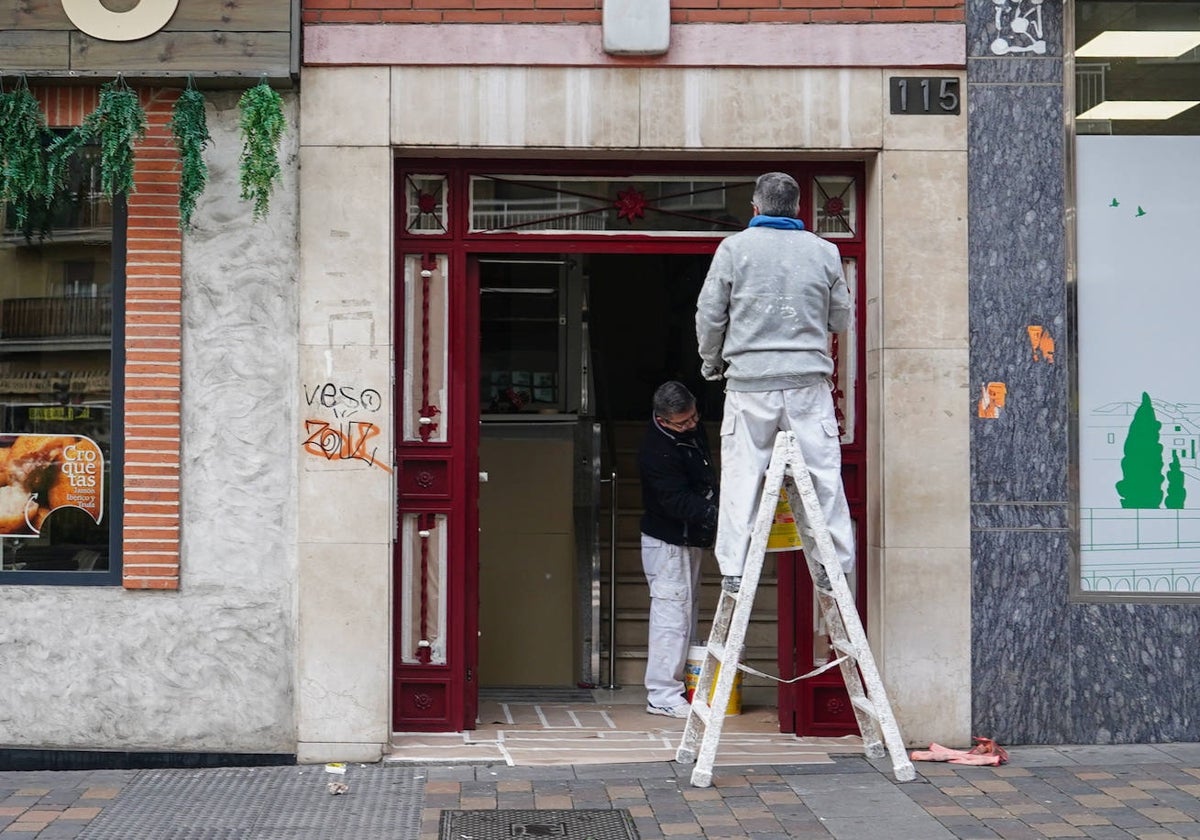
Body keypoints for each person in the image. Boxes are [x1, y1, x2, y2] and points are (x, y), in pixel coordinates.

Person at [695, 171, 854, 595]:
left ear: (755, 207)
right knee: (822, 475)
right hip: (806, 384)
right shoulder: (824, 251)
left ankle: (733, 568)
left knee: (743, 475)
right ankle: (832, 566)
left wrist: (712, 363)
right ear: (798, 208)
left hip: (749, 385)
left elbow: (710, 315)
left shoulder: (733, 250)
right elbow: (841, 317)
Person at [637, 381, 718, 718]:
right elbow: (675, 501)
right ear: (663, 419)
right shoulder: (656, 450)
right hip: (668, 541)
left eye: (694, 417)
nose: (692, 425)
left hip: (689, 538)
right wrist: (718, 513)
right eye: (683, 422)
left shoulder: (691, 434)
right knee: (671, 618)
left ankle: (677, 688)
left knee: (685, 615)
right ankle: (662, 694)